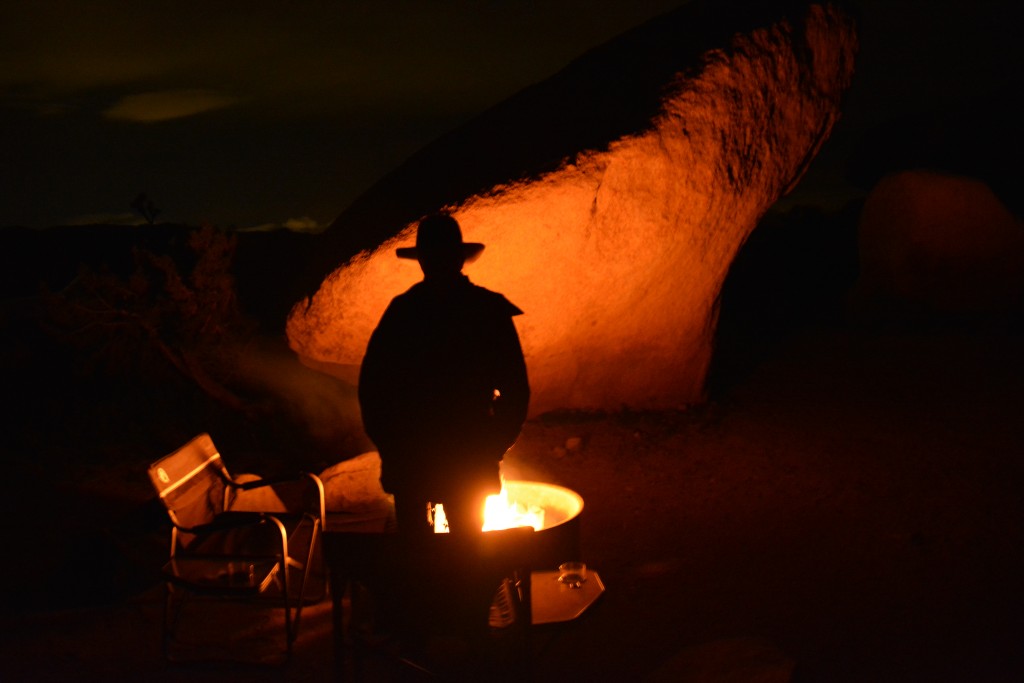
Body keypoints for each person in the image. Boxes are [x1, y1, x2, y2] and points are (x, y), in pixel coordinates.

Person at [358, 213, 530, 539]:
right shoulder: (487, 310)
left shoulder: (403, 312)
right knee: (466, 554)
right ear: (459, 258)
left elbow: (372, 389)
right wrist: (494, 444)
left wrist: (391, 445)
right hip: (458, 454)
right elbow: (515, 389)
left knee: (421, 556)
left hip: (417, 456)